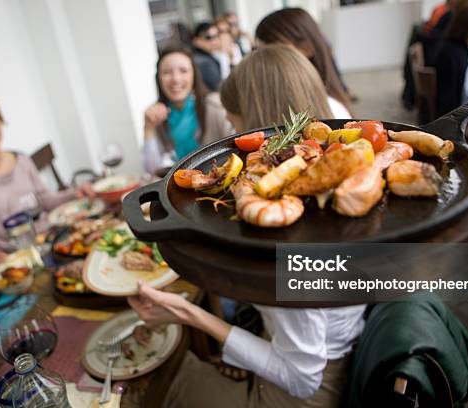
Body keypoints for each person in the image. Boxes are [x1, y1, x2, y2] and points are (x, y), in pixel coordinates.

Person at [129, 45, 365, 408]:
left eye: (235, 125)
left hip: (303, 395)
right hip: (336, 346)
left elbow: (302, 379)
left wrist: (186, 313)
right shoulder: (336, 186)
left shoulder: (285, 242)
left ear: (261, 127)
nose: (232, 135)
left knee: (158, 390)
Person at [0, 89, 93, 276]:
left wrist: (74, 193)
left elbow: (44, 199)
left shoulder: (21, 159)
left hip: (49, 243)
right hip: (14, 263)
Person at [142, 45, 232, 175]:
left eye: (183, 71)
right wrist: (148, 127)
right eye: (167, 72)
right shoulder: (156, 115)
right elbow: (152, 170)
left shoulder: (215, 105)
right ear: (158, 79)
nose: (176, 79)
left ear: (194, 75)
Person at [254, 7, 354, 117]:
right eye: (257, 50)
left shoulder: (331, 109)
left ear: (306, 48)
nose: (261, 59)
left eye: (273, 50)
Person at [191, 22, 223, 91]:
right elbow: (220, 87)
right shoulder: (204, 62)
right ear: (196, 40)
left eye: (217, 36)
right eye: (209, 37)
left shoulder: (206, 57)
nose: (215, 41)